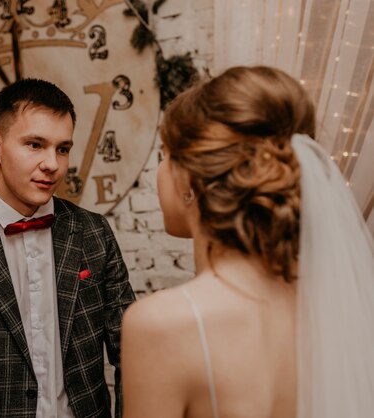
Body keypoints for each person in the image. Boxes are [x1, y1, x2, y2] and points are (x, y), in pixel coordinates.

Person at [121, 66, 374, 418]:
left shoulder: (161, 324)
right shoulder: (341, 302)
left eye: (164, 155)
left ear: (189, 179)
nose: (158, 172)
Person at [0, 78, 135, 418]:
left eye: (62, 149)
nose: (52, 164)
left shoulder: (93, 232)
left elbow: (131, 351)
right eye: (35, 145)